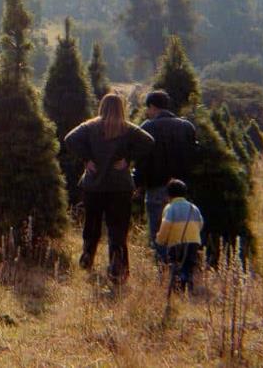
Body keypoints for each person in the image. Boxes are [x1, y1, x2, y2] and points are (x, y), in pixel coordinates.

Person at [64, 93, 154, 283]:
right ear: (121, 108)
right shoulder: (128, 128)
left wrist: (86, 159)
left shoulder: (90, 126)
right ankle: (117, 266)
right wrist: (128, 159)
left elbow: (69, 139)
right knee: (117, 229)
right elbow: (149, 141)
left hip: (93, 185)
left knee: (92, 225)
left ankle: (87, 257)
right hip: (120, 187)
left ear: (102, 106)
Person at [135, 90, 198, 262]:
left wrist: (138, 184)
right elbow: (194, 157)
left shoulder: (147, 128)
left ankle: (163, 267)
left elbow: (141, 161)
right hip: (181, 190)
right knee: (181, 230)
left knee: (158, 231)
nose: (147, 112)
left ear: (152, 107)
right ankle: (179, 265)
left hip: (156, 187)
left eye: (148, 109)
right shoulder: (186, 126)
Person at [155, 178, 203, 291]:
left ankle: (177, 290)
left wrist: (160, 240)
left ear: (168, 195)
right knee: (189, 267)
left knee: (176, 268)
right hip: (194, 242)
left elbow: (165, 226)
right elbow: (200, 223)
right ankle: (189, 289)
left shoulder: (170, 208)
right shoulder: (193, 208)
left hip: (176, 242)